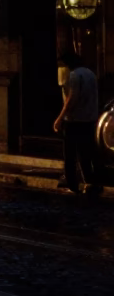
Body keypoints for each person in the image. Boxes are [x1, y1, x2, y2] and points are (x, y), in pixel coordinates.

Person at [54, 52, 102, 196]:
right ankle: (90, 181)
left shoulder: (74, 75)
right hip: (89, 119)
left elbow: (71, 99)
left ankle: (72, 184)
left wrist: (59, 118)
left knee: (70, 154)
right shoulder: (90, 74)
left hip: (75, 120)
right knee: (86, 152)